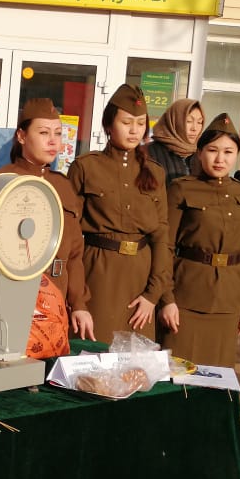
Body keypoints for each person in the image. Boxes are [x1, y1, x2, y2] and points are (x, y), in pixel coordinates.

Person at [68, 82, 169, 342]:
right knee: (93, 356)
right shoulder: (86, 167)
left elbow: (161, 237)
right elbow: (70, 234)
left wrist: (152, 295)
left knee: (136, 364)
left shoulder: (155, 172)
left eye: (140, 123)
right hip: (98, 274)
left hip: (140, 276)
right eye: (127, 122)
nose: (135, 130)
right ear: (109, 125)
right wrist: (77, 295)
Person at [157, 113, 240, 367]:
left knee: (216, 378)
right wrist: (167, 299)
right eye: (212, 150)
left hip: (228, 302)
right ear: (199, 152)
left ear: (236, 154)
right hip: (186, 298)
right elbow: (165, 247)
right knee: (177, 375)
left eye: (228, 151)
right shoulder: (181, 188)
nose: (220, 158)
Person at [0, 98, 95, 340]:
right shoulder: (4, 180)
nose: (53, 141)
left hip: (59, 300)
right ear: (21, 136)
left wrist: (79, 303)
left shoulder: (63, 185)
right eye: (43, 132)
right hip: (18, 299)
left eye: (58, 134)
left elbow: (74, 255)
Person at [147, 98, 205, 185]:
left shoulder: (202, 154)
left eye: (199, 122)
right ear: (174, 121)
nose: (194, 128)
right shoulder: (149, 152)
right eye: (188, 121)